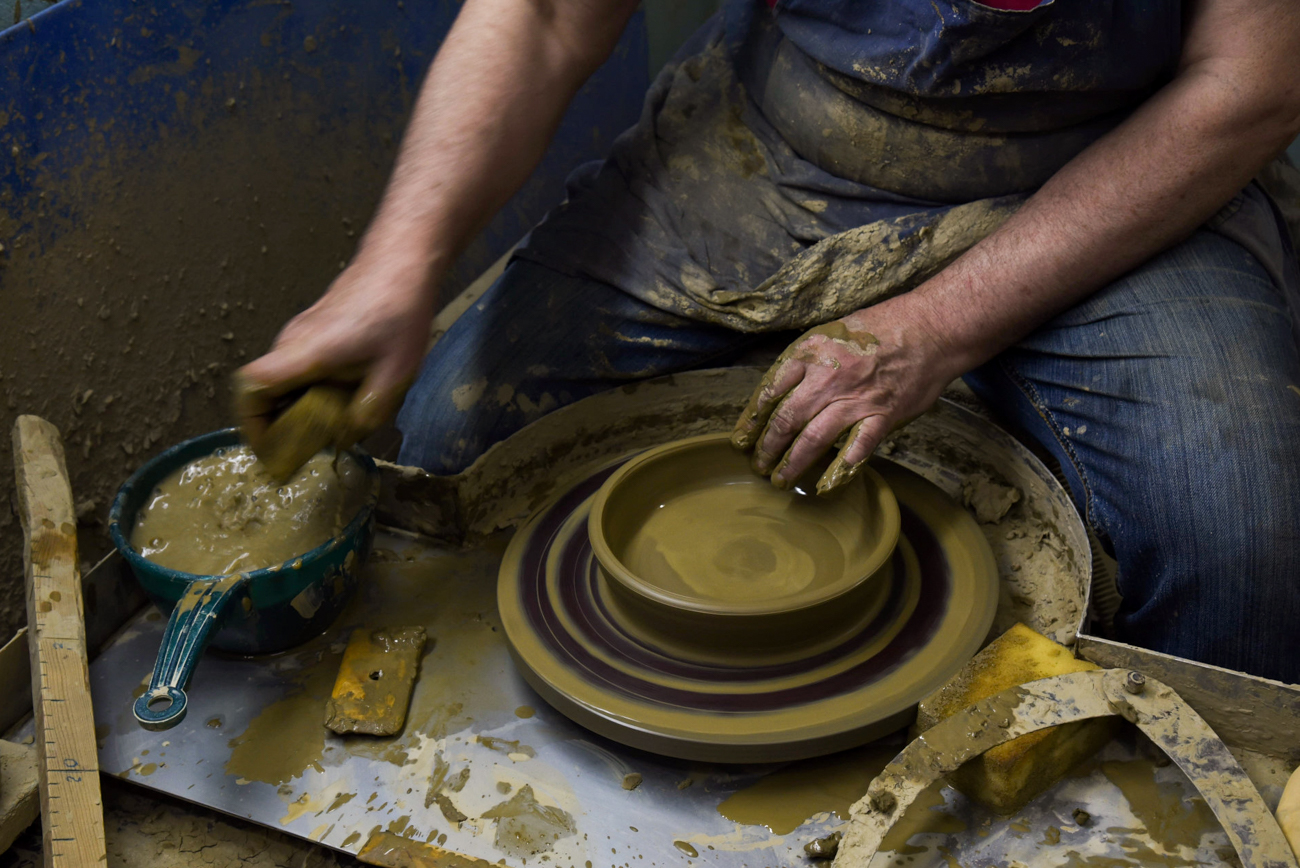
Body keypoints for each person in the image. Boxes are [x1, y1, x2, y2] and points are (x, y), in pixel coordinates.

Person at [236, 0, 1300, 683]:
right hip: (784, 145)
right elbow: (551, 18)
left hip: (1102, 170)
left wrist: (933, 325)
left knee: (1247, 547)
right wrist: (398, 264)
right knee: (436, 462)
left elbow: (1247, 86)